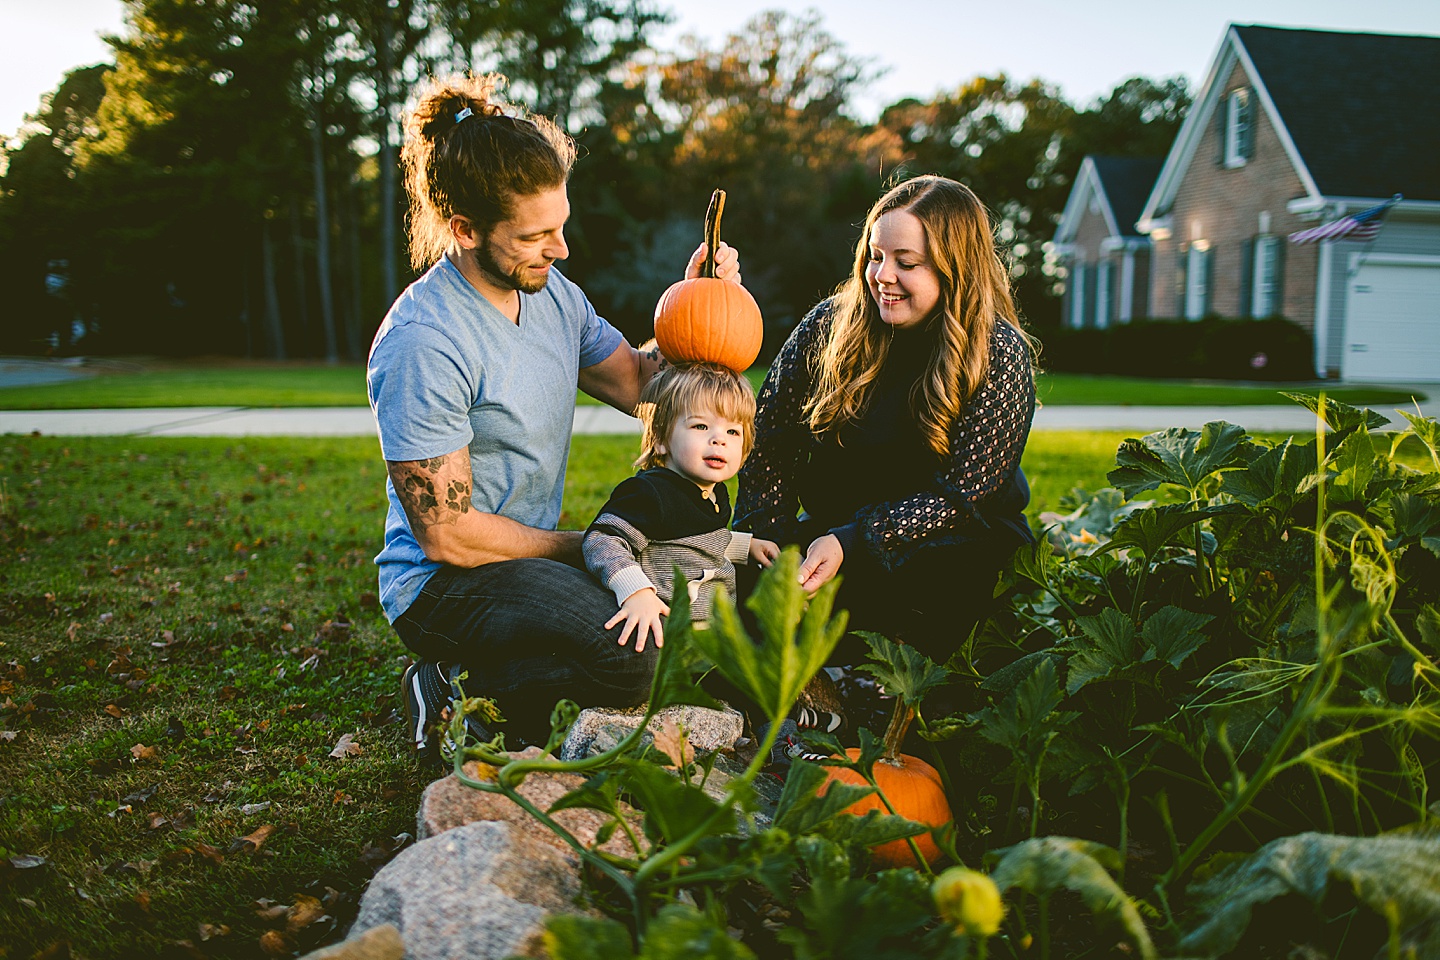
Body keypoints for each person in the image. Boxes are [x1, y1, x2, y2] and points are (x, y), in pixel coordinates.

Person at [367, 74, 742, 766]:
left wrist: (704, 303)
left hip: (523, 559)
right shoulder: (426, 340)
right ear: (466, 230)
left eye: (560, 227)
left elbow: (640, 385)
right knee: (634, 656)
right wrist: (586, 551)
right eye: (536, 236)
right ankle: (450, 677)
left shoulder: (551, 294)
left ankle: (509, 695)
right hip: (443, 584)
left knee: (644, 627)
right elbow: (448, 536)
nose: (560, 249)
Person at [734, 175, 1037, 670]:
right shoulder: (829, 326)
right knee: (744, 576)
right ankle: (807, 691)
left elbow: (965, 497)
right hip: (832, 534)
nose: (882, 275)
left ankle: (880, 693)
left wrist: (852, 543)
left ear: (955, 270)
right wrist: (766, 536)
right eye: (875, 256)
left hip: (950, 542)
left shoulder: (997, 352)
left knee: (935, 590)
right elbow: (770, 439)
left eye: (906, 263)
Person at [582, 363, 780, 654]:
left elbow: (694, 541)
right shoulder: (651, 493)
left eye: (733, 431)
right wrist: (636, 591)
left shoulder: (710, 494)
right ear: (661, 439)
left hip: (712, 633)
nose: (719, 439)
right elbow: (601, 541)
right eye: (700, 426)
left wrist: (743, 546)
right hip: (665, 636)